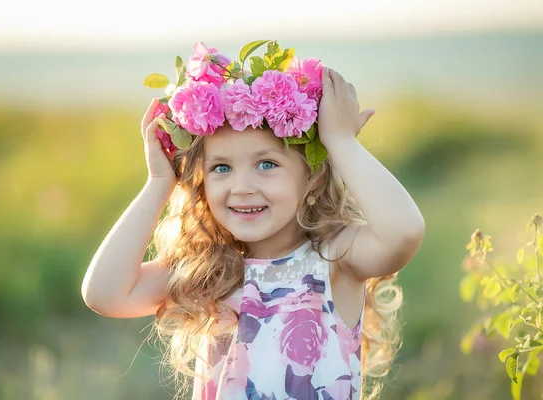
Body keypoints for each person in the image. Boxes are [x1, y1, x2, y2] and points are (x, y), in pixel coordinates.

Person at [81, 41, 425, 400]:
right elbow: (104, 294)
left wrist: (340, 141)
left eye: (266, 164)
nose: (241, 187)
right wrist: (158, 184)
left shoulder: (334, 259)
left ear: (313, 178)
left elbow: (404, 233)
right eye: (221, 168)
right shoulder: (209, 271)